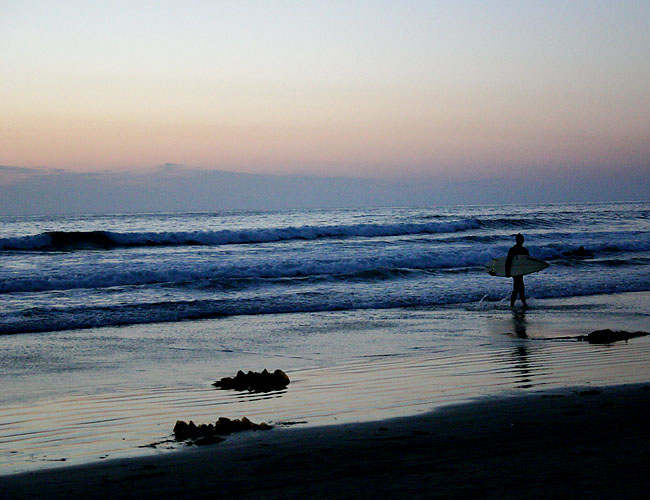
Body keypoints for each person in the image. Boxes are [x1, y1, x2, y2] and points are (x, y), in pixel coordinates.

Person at [506, 233, 529, 308]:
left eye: (521, 240)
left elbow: (528, 262)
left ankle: (513, 305)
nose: (521, 241)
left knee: (517, 287)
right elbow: (508, 261)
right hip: (514, 271)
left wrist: (533, 269)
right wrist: (508, 272)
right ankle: (522, 304)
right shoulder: (512, 250)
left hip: (521, 271)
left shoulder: (524, 250)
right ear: (516, 240)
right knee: (519, 287)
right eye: (519, 240)